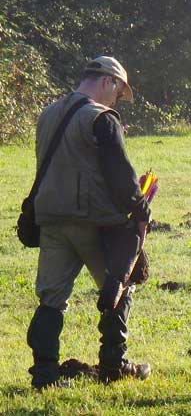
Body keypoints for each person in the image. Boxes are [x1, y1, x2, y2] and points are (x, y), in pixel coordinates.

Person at [28, 56, 152, 389]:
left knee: (51, 299)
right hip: (94, 222)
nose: (116, 100)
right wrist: (141, 209)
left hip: (51, 219)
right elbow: (122, 177)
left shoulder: (48, 113)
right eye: (117, 92)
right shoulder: (101, 117)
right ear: (109, 82)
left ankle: (44, 374)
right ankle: (114, 364)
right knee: (118, 288)